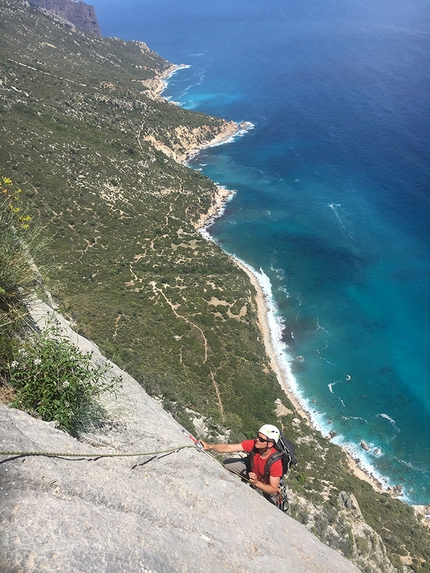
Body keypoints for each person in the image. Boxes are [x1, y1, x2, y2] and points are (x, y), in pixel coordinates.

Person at [200, 424, 283, 505]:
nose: (257, 440)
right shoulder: (253, 445)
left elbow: (273, 489)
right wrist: (209, 446)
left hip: (267, 484)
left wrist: (257, 483)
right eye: (257, 436)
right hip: (252, 472)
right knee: (227, 464)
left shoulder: (275, 463)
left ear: (270, 444)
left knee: (270, 506)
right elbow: (228, 448)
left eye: (261, 439)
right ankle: (246, 480)